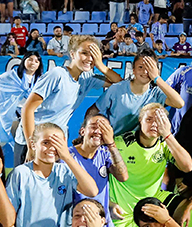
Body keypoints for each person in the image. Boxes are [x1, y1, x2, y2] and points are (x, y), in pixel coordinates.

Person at [19, 37, 121, 166]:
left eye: (93, 54)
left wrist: (100, 65)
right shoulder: (57, 74)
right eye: (84, 53)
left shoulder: (87, 78)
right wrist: (31, 146)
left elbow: (119, 84)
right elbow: (28, 109)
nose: (89, 58)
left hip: (56, 141)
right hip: (34, 140)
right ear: (72, 54)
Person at [108, 104, 192, 227]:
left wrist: (168, 135)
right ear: (140, 120)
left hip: (153, 198)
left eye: (159, 121)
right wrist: (108, 203)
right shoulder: (120, 144)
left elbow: (187, 166)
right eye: (149, 119)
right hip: (122, 204)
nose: (154, 124)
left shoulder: (165, 144)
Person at [92, 52, 184, 138]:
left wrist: (157, 78)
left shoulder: (156, 93)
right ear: (133, 70)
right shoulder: (117, 88)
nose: (145, 72)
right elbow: (93, 111)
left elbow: (179, 103)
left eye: (149, 68)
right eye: (140, 67)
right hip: (113, 142)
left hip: (140, 146)